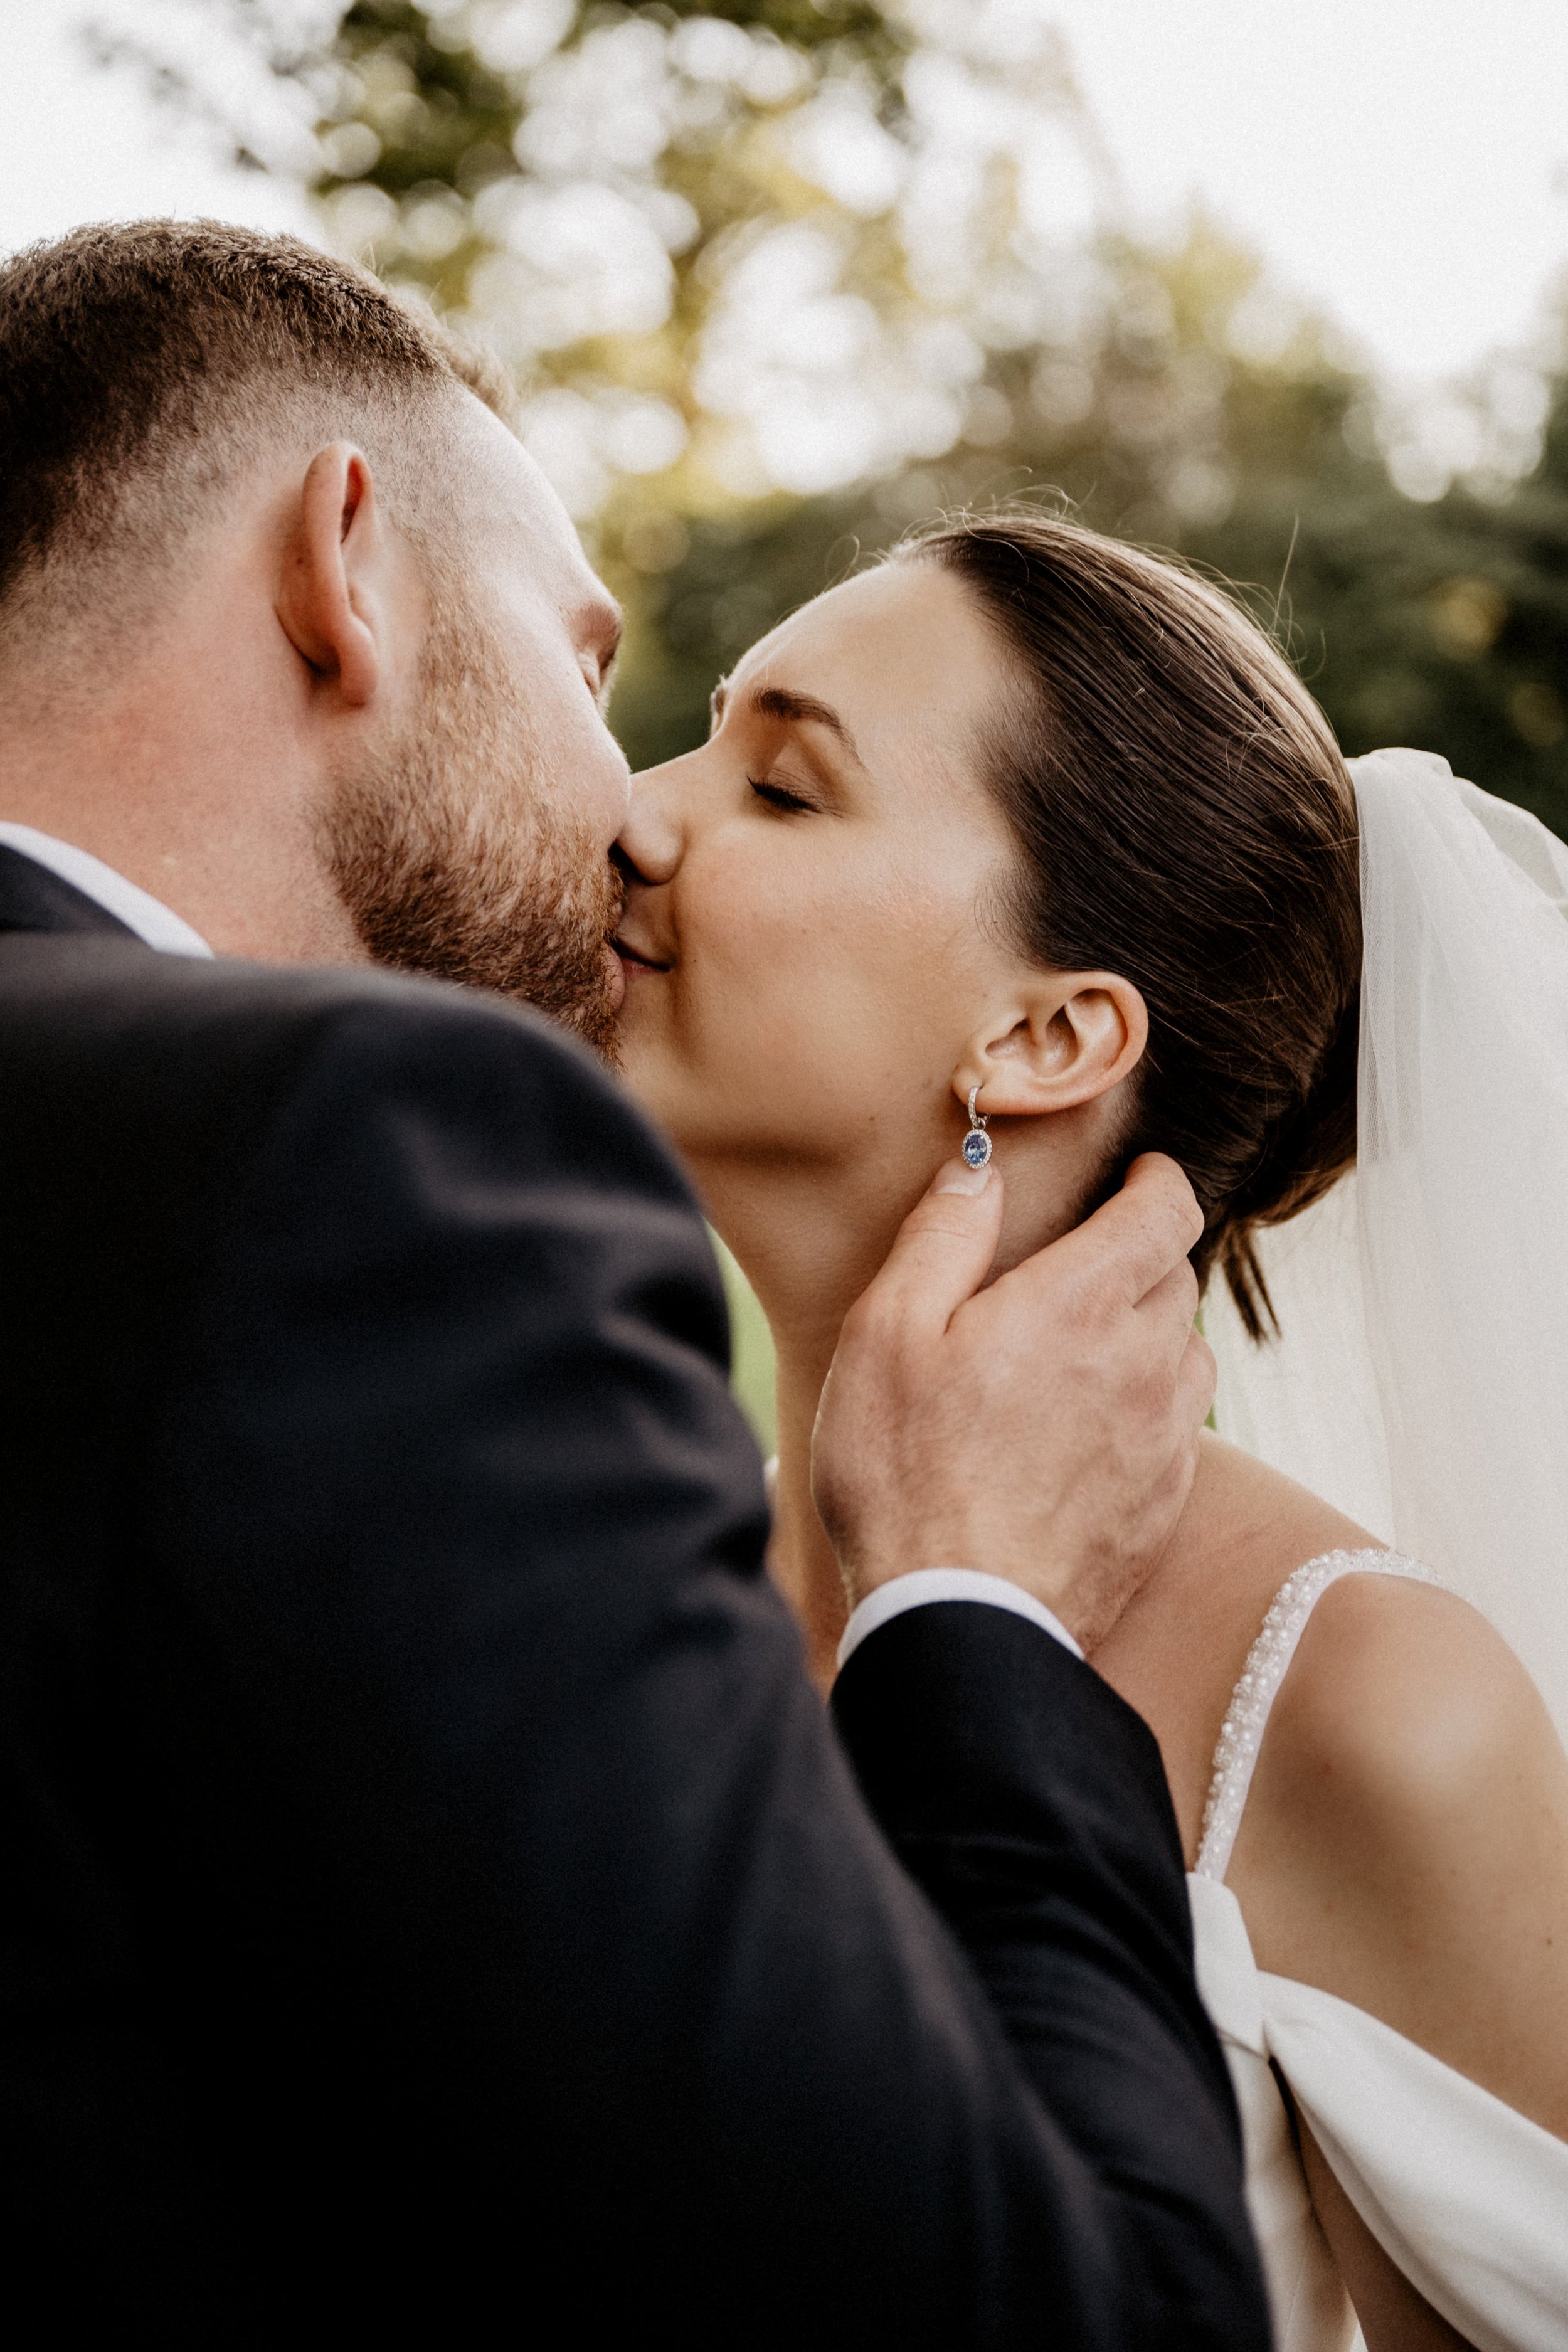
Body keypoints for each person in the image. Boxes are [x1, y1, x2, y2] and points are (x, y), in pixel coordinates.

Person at [0, 223, 1263, 2346]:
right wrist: (981, 1607)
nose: (631, 822)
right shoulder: (346, 1164)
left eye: (776, 778)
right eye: (600, 680)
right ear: (346, 565)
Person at [613, 510, 1568, 2352]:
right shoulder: (626, 1589)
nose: (637, 812)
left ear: (1047, 1035)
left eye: (782, 789)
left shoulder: (1364, 1706)